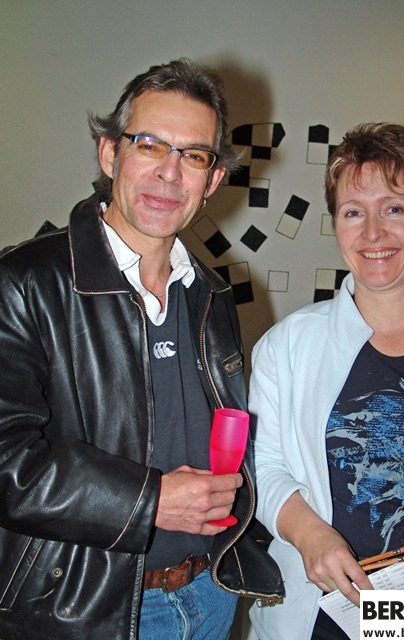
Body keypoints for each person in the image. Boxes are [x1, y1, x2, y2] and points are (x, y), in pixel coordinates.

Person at [0, 58, 283, 640]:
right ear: (110, 154)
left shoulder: (213, 295)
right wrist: (150, 500)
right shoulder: (24, 282)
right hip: (82, 610)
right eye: (149, 145)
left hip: (210, 594)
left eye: (194, 156)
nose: (169, 173)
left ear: (212, 181)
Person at [248, 122, 404, 640]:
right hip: (322, 612)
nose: (373, 234)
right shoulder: (287, 347)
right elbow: (261, 465)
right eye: (354, 212)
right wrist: (308, 534)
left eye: (395, 208)